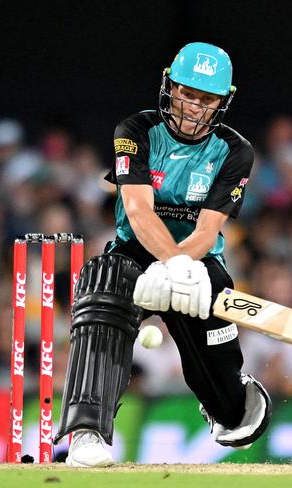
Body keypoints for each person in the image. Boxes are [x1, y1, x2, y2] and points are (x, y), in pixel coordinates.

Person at [54, 42, 272, 467]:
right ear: (169, 86)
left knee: (234, 415)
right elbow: (137, 210)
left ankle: (228, 401)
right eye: (187, 93)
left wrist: (181, 267)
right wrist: (168, 263)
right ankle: (87, 433)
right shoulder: (134, 131)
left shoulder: (235, 150)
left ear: (222, 102)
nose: (193, 107)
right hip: (134, 252)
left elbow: (209, 228)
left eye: (206, 99)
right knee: (103, 283)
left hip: (198, 259)